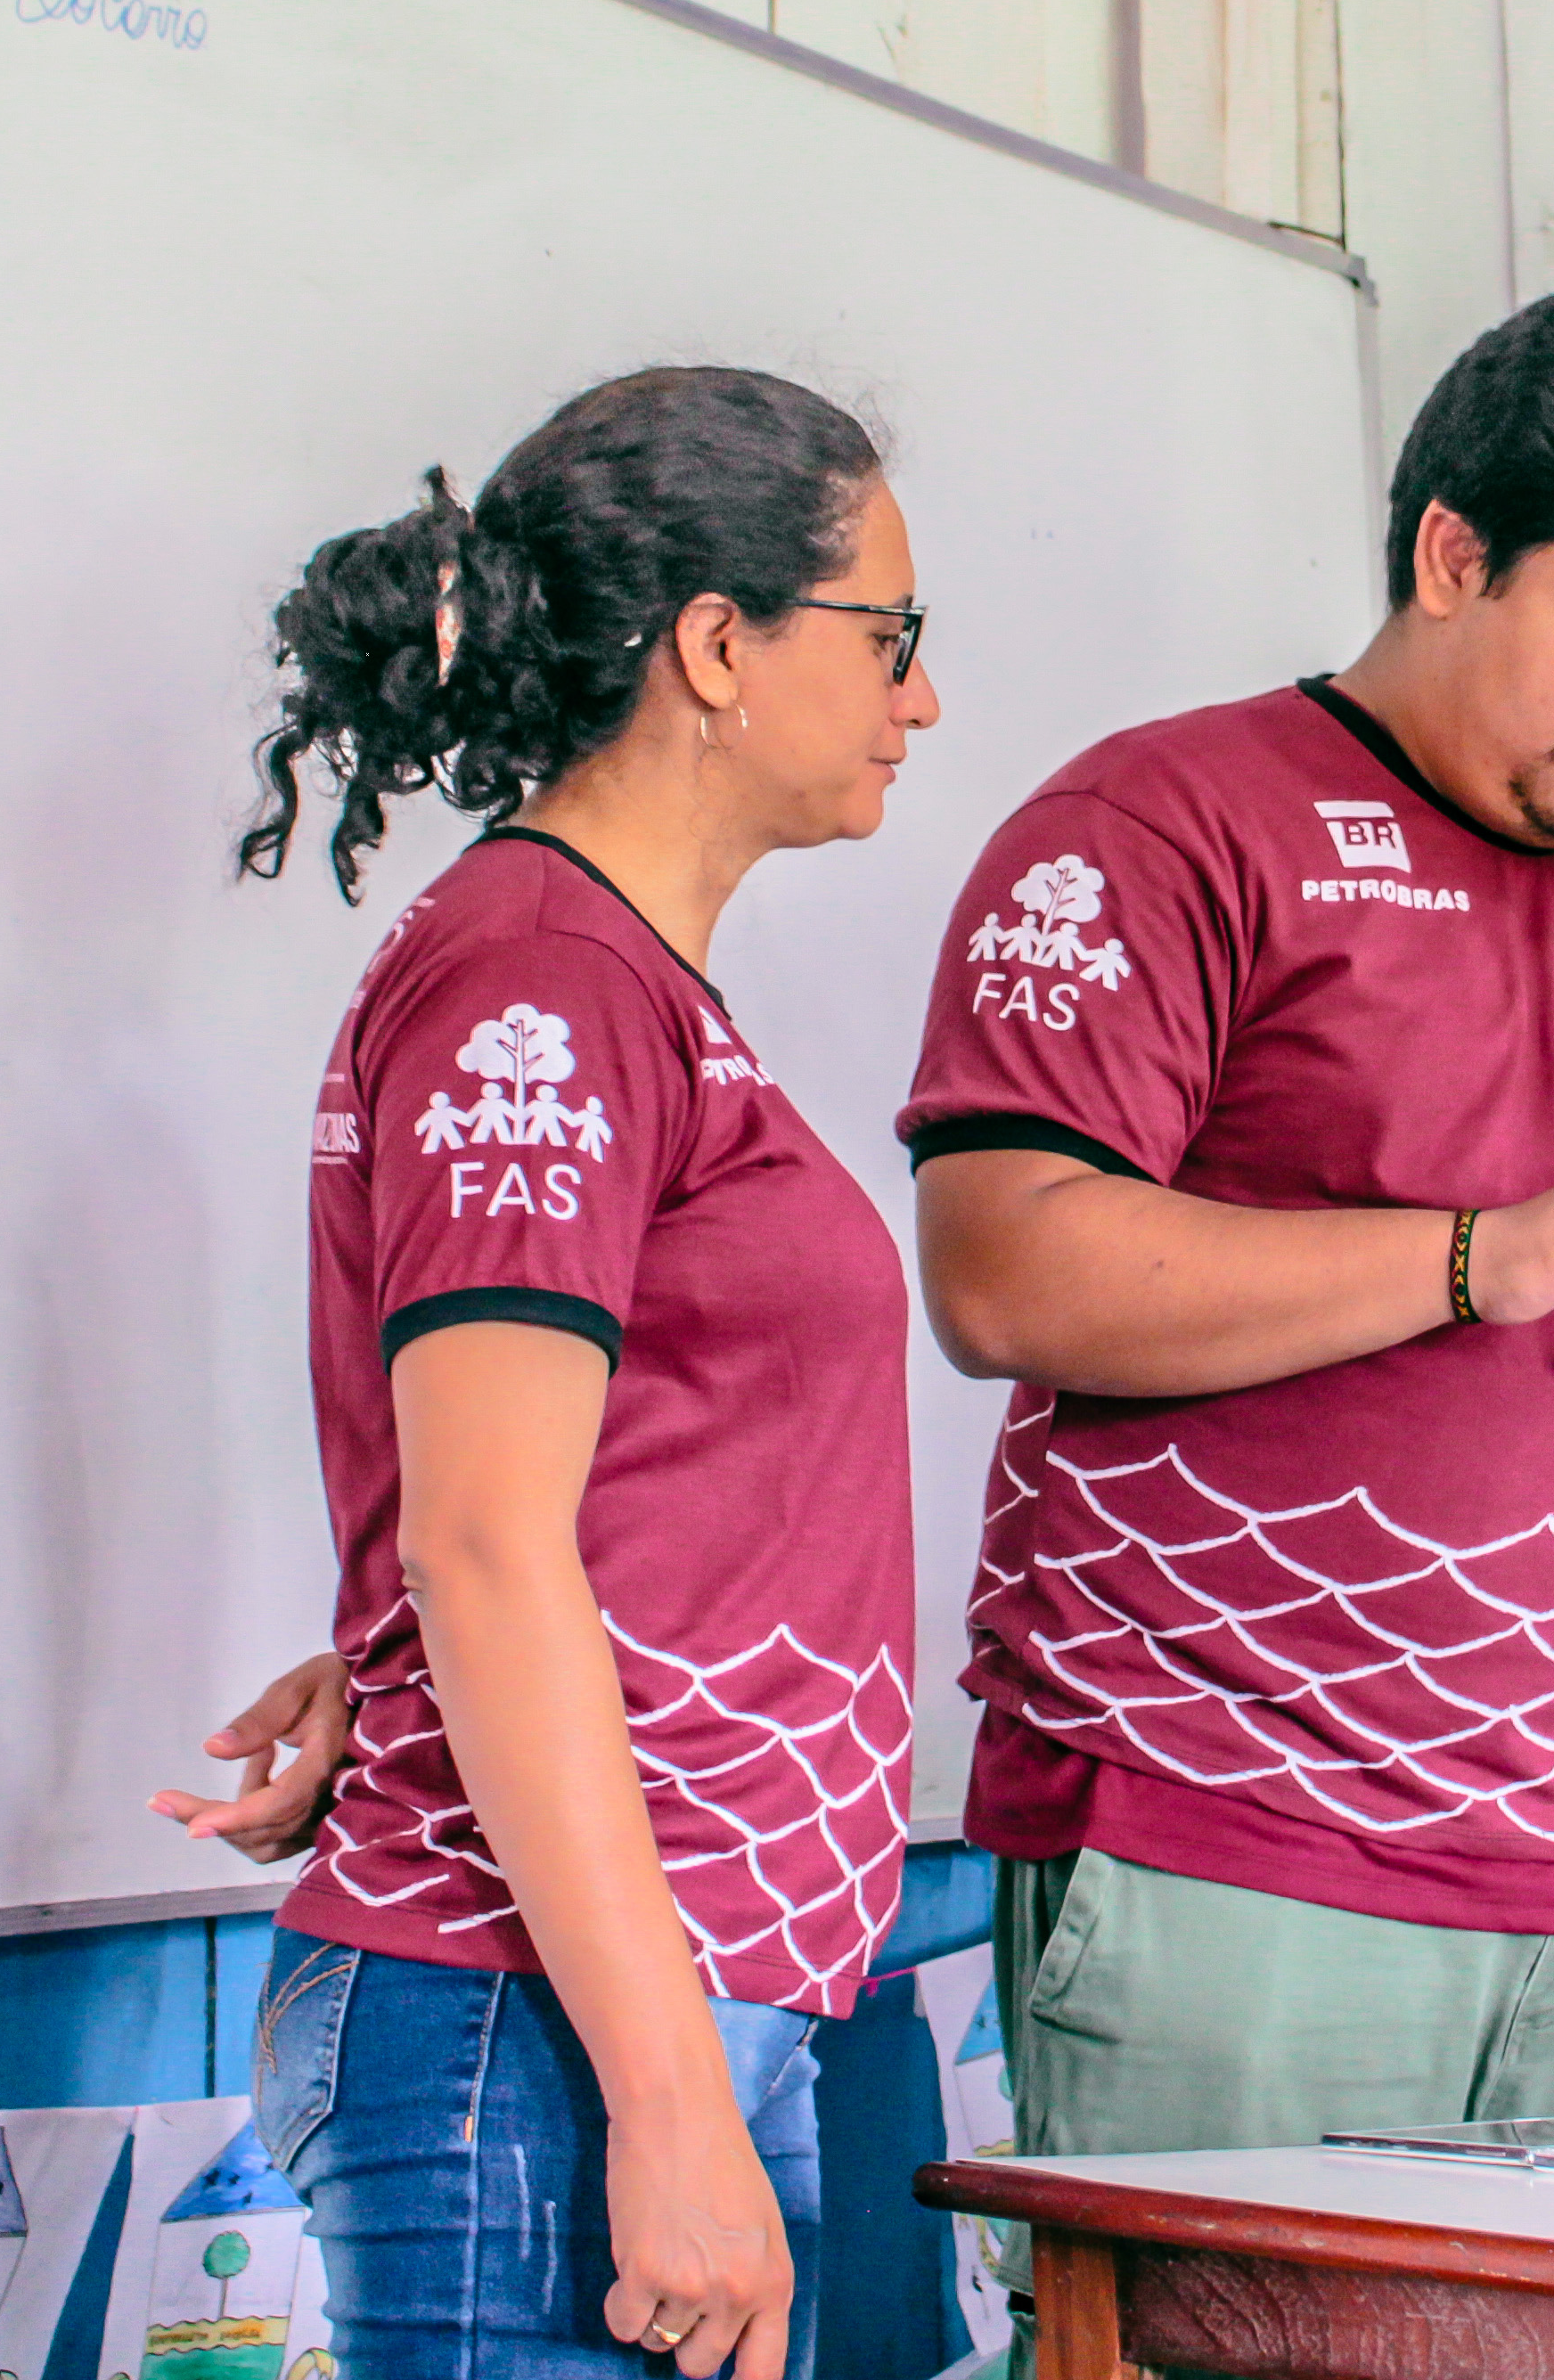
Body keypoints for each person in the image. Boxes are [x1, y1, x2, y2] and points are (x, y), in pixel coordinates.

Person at [901, 288, 1554, 2196]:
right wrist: (1474, 1256)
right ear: (1452, 556)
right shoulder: (1163, 823)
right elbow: (1005, 1273)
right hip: (1235, 1858)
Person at [187, 366, 939, 2380]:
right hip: (547, 2026)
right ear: (717, 643)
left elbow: (569, 1490)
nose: (919, 697)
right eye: (889, 636)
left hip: (660, 1989)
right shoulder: (539, 976)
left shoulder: (610, 981)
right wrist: (672, 2102)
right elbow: (491, 1534)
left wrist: (392, 1641)